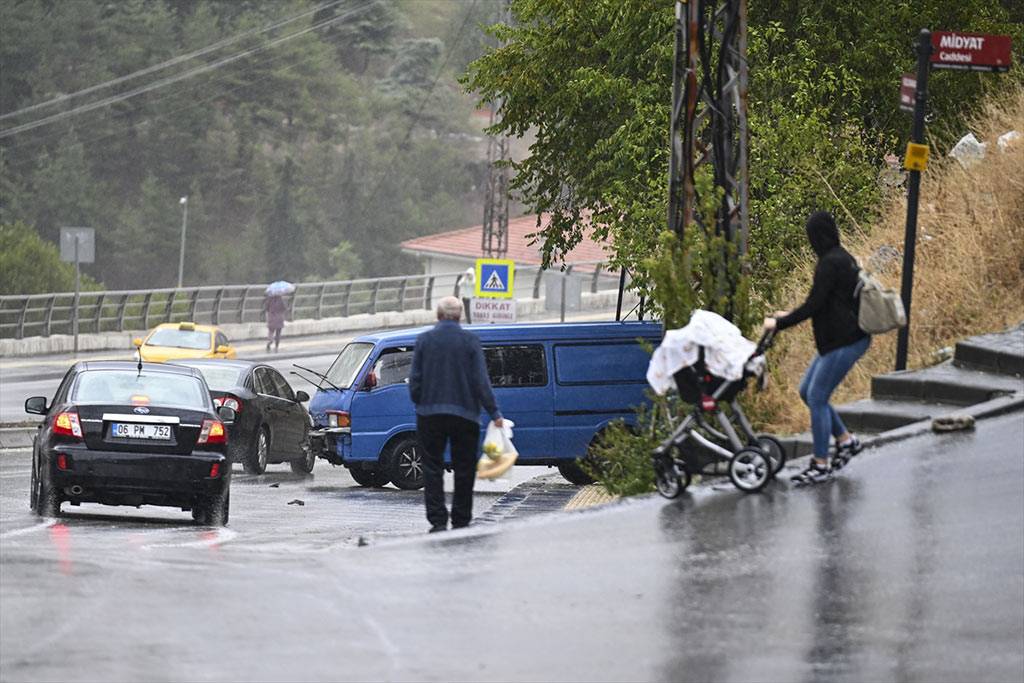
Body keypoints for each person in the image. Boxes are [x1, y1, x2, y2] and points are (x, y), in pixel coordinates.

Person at [763, 211, 870, 486]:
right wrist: (788, 316)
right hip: (840, 338)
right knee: (806, 392)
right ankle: (846, 441)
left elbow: (815, 305)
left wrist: (780, 323)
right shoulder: (840, 257)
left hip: (845, 340)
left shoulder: (830, 263)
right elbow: (824, 302)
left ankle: (820, 463)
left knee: (818, 397)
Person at [409, 296, 502, 532]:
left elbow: (415, 381)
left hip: (430, 415)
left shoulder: (424, 340)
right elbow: (481, 381)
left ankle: (438, 520)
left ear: (438, 316)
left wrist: (421, 402)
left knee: (432, 467)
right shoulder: (470, 341)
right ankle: (461, 519)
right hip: (465, 415)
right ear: (459, 316)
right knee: (464, 467)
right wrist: (494, 412)